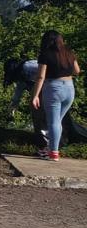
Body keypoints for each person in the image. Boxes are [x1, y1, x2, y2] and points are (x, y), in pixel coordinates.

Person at [31, 30, 81, 161]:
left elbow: (40, 76)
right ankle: (52, 149)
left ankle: (53, 152)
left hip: (53, 88)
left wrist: (35, 95)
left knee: (52, 121)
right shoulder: (69, 52)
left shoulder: (45, 55)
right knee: (57, 121)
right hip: (70, 88)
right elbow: (77, 70)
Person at [4, 58, 48, 157]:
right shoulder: (21, 76)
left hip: (50, 88)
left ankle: (49, 147)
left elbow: (46, 72)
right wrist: (11, 111)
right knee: (38, 118)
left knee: (45, 119)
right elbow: (17, 95)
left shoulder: (29, 66)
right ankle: (43, 146)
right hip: (41, 93)